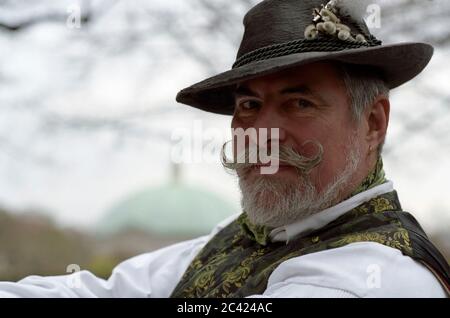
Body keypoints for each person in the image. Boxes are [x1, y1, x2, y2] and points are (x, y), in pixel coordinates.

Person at [0, 0, 448, 298]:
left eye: (299, 102)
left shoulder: (373, 277)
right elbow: (101, 292)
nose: (265, 134)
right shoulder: (249, 235)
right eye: (250, 105)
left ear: (373, 123)